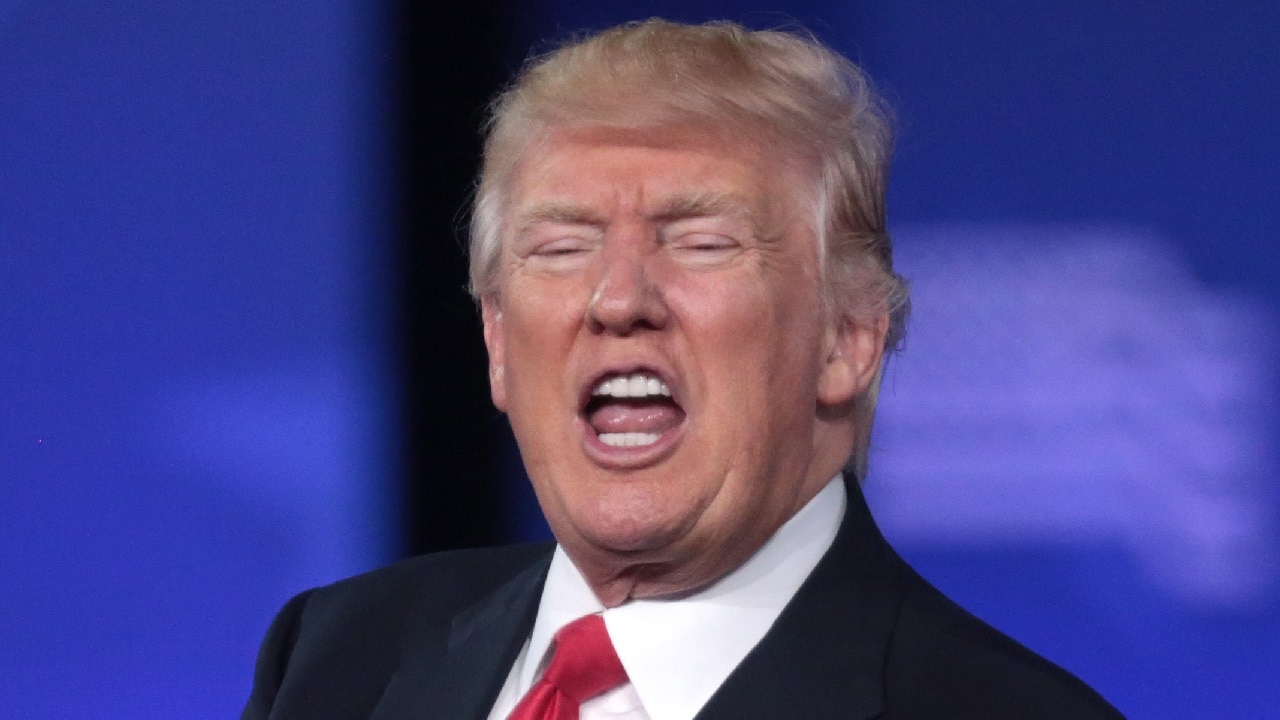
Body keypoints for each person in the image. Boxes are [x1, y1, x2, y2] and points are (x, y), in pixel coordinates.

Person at [242, 19, 1123, 720]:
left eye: (701, 243)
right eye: (562, 245)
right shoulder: (337, 657)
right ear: (500, 340)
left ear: (849, 337)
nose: (618, 298)